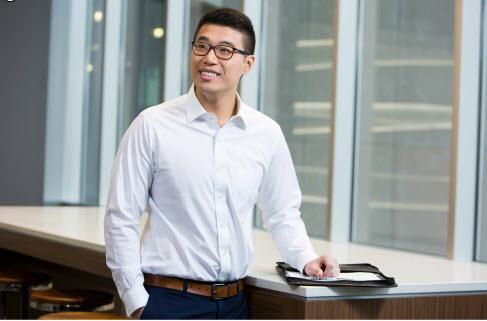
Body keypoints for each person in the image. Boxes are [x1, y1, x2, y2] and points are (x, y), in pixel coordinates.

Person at [104, 7, 339, 320]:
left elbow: (282, 212)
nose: (209, 58)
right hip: (167, 303)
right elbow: (121, 217)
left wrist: (306, 257)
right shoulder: (152, 125)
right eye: (201, 46)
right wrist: (136, 302)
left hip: (234, 304)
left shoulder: (265, 133)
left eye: (224, 50)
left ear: (248, 63)